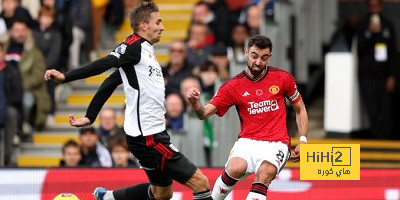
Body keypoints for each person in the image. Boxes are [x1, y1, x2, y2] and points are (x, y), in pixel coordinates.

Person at [44, 1, 212, 200]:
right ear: (143, 25)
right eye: (158, 22)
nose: (162, 27)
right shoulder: (133, 46)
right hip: (149, 138)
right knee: (201, 182)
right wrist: (66, 77)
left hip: (150, 135)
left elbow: (110, 81)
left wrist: (90, 116)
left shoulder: (145, 50)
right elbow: (105, 63)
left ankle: (106, 197)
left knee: (162, 193)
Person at [187, 35, 308, 200]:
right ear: (246, 52)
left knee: (264, 173)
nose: (258, 61)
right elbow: (204, 114)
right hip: (248, 141)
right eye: (254, 56)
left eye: (264, 57)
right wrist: (194, 102)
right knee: (234, 168)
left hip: (277, 143)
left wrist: (302, 140)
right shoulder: (232, 86)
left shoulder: (282, 78)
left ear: (269, 57)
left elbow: (300, 109)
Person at [356, 0, 397, 139]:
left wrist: (392, 76)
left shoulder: (388, 25)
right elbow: (359, 49)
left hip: (384, 75)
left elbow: (392, 52)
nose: (375, 8)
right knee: (372, 111)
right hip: (367, 76)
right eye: (372, 6)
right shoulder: (362, 24)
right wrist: (369, 33)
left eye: (377, 5)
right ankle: (376, 137)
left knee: (386, 110)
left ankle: (386, 140)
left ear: (382, 6)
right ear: (368, 7)